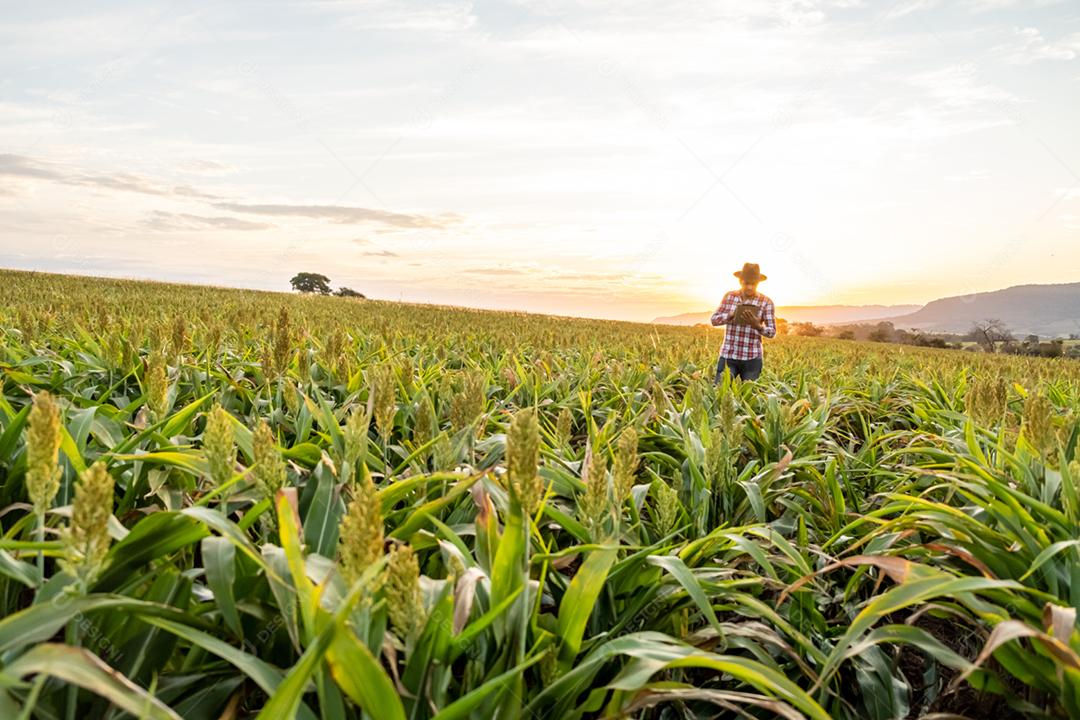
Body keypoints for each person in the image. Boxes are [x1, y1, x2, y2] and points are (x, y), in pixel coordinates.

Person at [710, 262, 776, 382]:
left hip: (752, 358)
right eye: (746, 283)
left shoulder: (766, 302)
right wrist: (731, 315)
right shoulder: (729, 297)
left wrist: (758, 326)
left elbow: (772, 332)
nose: (750, 287)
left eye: (753, 284)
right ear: (740, 281)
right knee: (721, 391)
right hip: (728, 356)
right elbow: (714, 320)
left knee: (748, 395)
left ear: (758, 283)